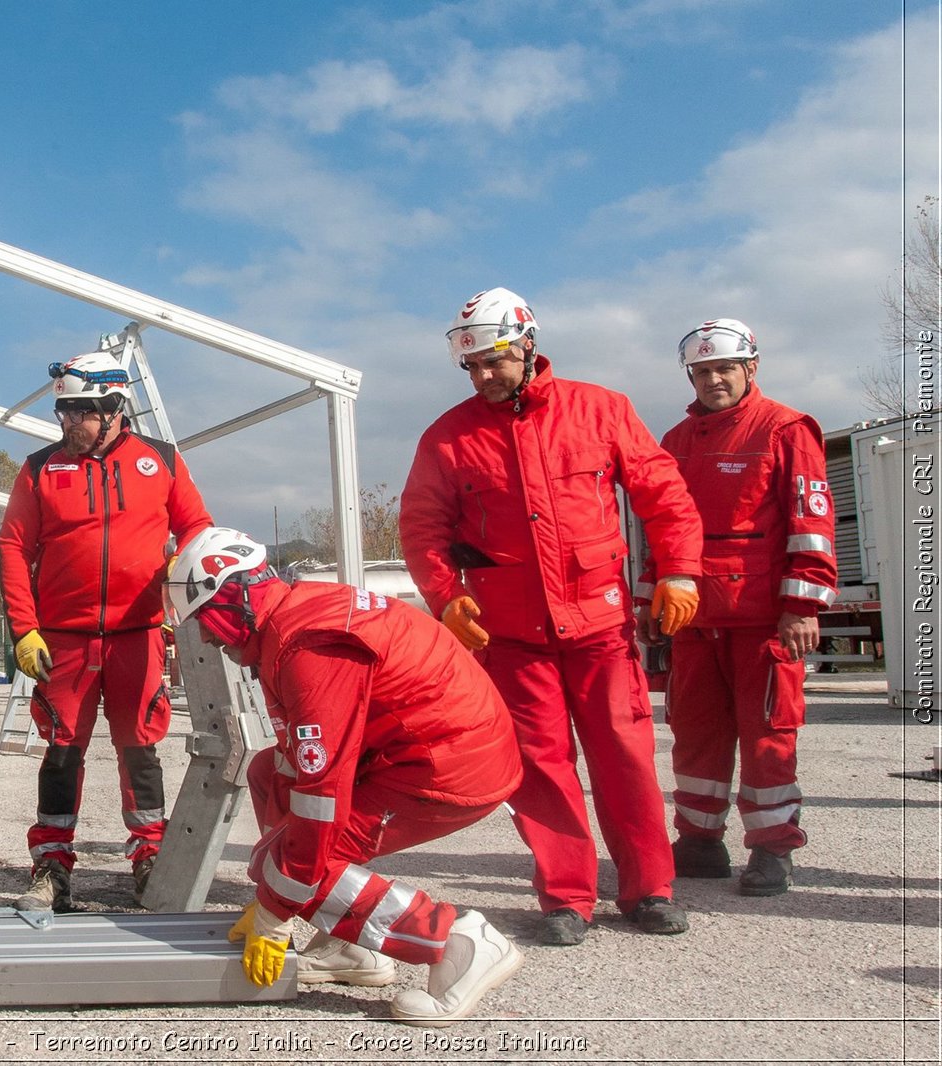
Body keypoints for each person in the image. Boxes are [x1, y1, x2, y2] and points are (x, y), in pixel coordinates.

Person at [400, 287, 705, 947]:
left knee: (624, 756)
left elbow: (665, 494)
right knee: (540, 765)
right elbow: (422, 529)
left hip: (601, 628)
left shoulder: (602, 411)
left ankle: (649, 890)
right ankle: (567, 897)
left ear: (528, 345)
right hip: (511, 639)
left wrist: (678, 572)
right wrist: (446, 597)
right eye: (471, 367)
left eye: (492, 362)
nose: (482, 377)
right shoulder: (448, 439)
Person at [166, 527, 524, 1025]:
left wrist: (276, 908)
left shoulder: (308, 647)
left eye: (206, 620)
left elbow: (321, 794)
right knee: (270, 775)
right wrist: (284, 890)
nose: (206, 636)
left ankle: (458, 940)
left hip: (448, 766)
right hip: (426, 748)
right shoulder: (293, 619)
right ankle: (353, 946)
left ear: (236, 596)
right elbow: (296, 763)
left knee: (296, 860)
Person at [0, 349, 213, 910]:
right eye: (63, 413)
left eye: (81, 412)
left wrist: (180, 583)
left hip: (138, 635)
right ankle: (51, 866)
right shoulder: (40, 468)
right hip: (62, 639)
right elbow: (13, 547)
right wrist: (24, 628)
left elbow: (197, 529)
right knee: (62, 750)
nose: (69, 424)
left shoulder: (161, 460)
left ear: (117, 407)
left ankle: (150, 859)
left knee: (140, 749)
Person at [639, 319, 836, 896]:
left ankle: (773, 848)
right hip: (695, 618)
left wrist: (802, 605)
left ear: (751, 368)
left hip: (762, 620)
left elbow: (812, 524)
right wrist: (650, 600)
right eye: (702, 371)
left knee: (768, 733)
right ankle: (699, 841)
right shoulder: (674, 442)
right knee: (695, 732)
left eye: (724, 368)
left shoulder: (786, 429)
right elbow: (662, 531)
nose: (713, 380)